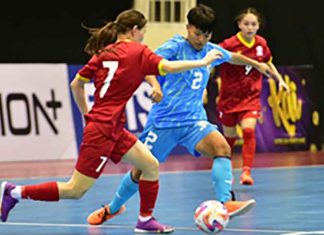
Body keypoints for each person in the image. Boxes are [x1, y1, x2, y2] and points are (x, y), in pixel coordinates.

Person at [0, 9, 223, 234]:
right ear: (135, 30)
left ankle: (145, 220)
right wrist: (202, 62)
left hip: (112, 127)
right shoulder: (138, 51)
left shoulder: (104, 53)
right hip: (103, 131)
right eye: (143, 32)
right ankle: (14, 192)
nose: (144, 37)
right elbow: (168, 66)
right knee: (75, 189)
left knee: (150, 164)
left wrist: (87, 114)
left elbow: (76, 84)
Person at [86, 4, 282, 227]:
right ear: (188, 28)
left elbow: (232, 57)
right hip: (163, 123)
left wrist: (256, 64)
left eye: (206, 34)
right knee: (140, 172)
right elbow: (146, 65)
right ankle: (112, 208)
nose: (201, 39)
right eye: (197, 33)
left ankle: (224, 202)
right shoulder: (174, 47)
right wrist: (155, 86)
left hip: (193, 122)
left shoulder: (210, 49)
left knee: (222, 149)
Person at [216, 7, 289, 185]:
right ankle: (227, 171)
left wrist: (280, 80)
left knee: (249, 130)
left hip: (250, 97)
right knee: (229, 140)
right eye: (246, 24)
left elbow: (268, 64)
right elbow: (213, 58)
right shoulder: (229, 44)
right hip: (229, 98)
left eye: (254, 24)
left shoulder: (261, 44)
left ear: (258, 26)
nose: (250, 27)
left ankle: (246, 172)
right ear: (239, 25)